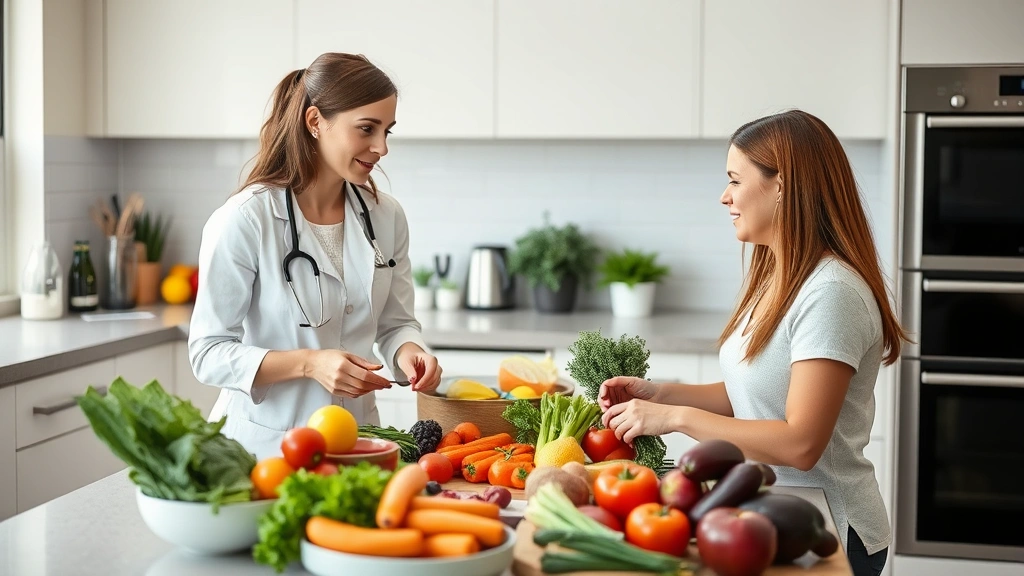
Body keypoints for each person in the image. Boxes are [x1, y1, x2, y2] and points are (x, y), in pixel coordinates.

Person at [600, 110, 905, 576]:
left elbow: (801, 441)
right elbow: (754, 397)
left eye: (735, 180)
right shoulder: (777, 276)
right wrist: (659, 394)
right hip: (770, 512)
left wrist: (677, 418)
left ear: (781, 186)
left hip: (829, 530)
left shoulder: (832, 293)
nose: (725, 197)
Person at [188, 53, 441, 460]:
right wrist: (309, 363)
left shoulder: (386, 215)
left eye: (387, 131)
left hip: (357, 443)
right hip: (266, 450)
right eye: (366, 129)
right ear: (314, 122)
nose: (381, 147)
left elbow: (396, 323)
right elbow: (208, 353)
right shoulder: (246, 219)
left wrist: (410, 352)